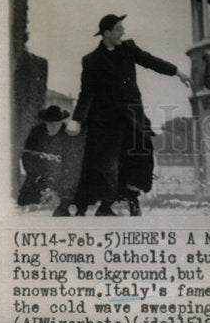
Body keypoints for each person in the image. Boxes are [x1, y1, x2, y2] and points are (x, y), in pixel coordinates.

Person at [70, 14, 192, 217]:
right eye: (118, 29)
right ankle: (100, 205)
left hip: (132, 117)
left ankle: (131, 198)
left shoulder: (129, 49)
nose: (123, 32)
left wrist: (178, 72)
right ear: (107, 33)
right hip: (104, 121)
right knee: (102, 162)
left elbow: (151, 61)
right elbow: (86, 93)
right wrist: (77, 119)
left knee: (141, 153)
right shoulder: (91, 60)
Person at [17, 105, 84, 216]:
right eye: (49, 124)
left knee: (70, 194)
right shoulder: (36, 132)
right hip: (39, 173)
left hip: (61, 173)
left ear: (61, 122)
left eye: (55, 124)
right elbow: (27, 156)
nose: (52, 127)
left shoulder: (67, 134)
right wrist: (36, 173)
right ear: (45, 122)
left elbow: (73, 159)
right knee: (25, 200)